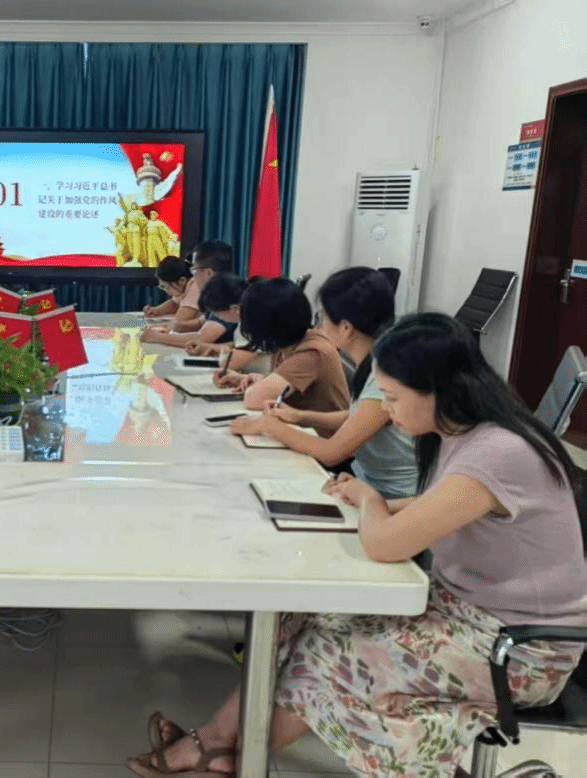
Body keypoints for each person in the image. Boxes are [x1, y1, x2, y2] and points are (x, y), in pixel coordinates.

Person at [130, 312, 587, 778]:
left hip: (520, 651)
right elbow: (447, 504)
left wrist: (371, 502)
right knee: (303, 613)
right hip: (468, 614)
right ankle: (218, 745)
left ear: (437, 389)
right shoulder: (464, 432)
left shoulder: (496, 452)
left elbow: (384, 545)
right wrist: (379, 502)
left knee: (332, 653)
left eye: (392, 397)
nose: (386, 409)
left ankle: (227, 758)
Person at [231, 267, 418, 498]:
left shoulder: (385, 377)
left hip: (394, 496)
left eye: (323, 317)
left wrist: (270, 427)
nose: (319, 325)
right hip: (363, 480)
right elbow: (357, 416)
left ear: (346, 328)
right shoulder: (373, 363)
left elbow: (332, 453)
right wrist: (300, 416)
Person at [215, 277, 349, 435]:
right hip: (303, 432)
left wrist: (259, 387)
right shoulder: (288, 342)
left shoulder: (312, 352)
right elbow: (285, 389)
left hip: (321, 441)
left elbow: (254, 400)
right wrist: (249, 379)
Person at [141, 240, 233, 338]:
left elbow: (201, 338)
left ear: (208, 273)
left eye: (194, 269)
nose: (192, 274)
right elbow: (199, 323)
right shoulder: (216, 294)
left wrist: (157, 337)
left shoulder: (222, 298)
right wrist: (156, 312)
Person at [141, 273, 246, 350]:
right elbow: (201, 322)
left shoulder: (224, 298)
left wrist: (159, 337)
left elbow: (201, 338)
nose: (193, 276)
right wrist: (175, 326)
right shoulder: (220, 293)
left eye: (195, 270)